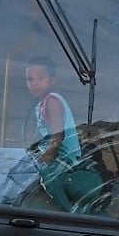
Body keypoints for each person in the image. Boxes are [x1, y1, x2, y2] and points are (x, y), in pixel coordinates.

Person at [25, 57, 85, 209]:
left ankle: (66, 209)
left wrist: (45, 159)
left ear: (53, 80)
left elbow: (59, 135)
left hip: (66, 156)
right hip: (54, 152)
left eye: (40, 78)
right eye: (30, 79)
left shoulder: (53, 101)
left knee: (48, 177)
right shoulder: (40, 105)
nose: (35, 83)